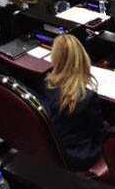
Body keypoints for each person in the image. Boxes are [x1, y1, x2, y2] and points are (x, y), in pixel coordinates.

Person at [41, 35, 105, 171]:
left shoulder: (48, 84)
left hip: (58, 150)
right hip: (83, 156)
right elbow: (97, 129)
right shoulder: (87, 97)